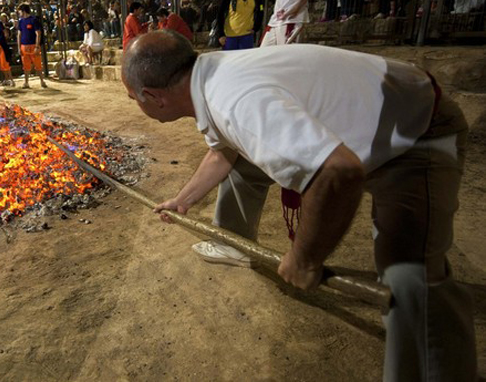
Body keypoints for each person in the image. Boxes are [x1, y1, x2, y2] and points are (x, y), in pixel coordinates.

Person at [121, 30, 477, 382]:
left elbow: (338, 172)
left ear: (153, 96)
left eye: (132, 98)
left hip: (416, 129)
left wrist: (305, 258)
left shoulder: (235, 102)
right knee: (246, 160)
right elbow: (222, 153)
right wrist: (182, 202)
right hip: (370, 118)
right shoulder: (208, 74)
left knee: (409, 273)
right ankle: (232, 240)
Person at [17, 3, 47, 89]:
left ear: (23, 11)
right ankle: (26, 82)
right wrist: (19, 47)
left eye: (20, 11)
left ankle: (42, 81)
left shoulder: (33, 20)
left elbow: (38, 33)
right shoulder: (21, 21)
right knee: (25, 65)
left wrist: (37, 46)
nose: (19, 13)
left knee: (38, 64)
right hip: (24, 46)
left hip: (33, 46)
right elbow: (19, 34)